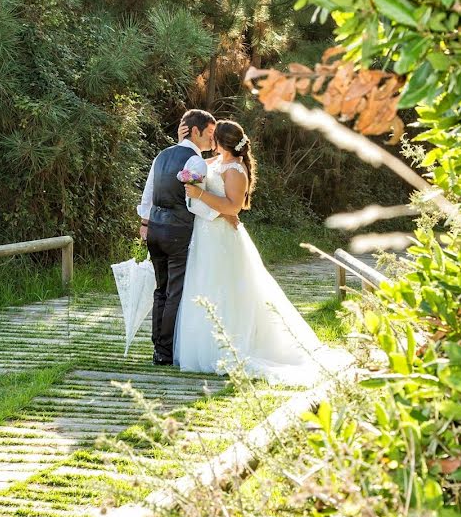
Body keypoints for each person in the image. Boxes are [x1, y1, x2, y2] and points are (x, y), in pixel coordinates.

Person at [173, 119, 336, 383]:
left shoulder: (236, 169)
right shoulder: (212, 163)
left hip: (223, 239)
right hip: (204, 235)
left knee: (226, 289)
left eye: (214, 135)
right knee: (203, 285)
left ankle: (229, 349)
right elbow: (202, 182)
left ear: (222, 141)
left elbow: (233, 207)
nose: (210, 139)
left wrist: (201, 196)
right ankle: (202, 349)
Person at [137, 110, 239, 366]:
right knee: (174, 292)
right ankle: (165, 351)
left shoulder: (162, 155)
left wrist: (144, 223)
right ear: (196, 132)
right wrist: (223, 213)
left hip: (155, 230)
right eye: (209, 133)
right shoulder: (195, 162)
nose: (212, 140)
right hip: (177, 231)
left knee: (160, 290)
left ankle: (158, 347)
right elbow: (193, 202)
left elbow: (148, 193)